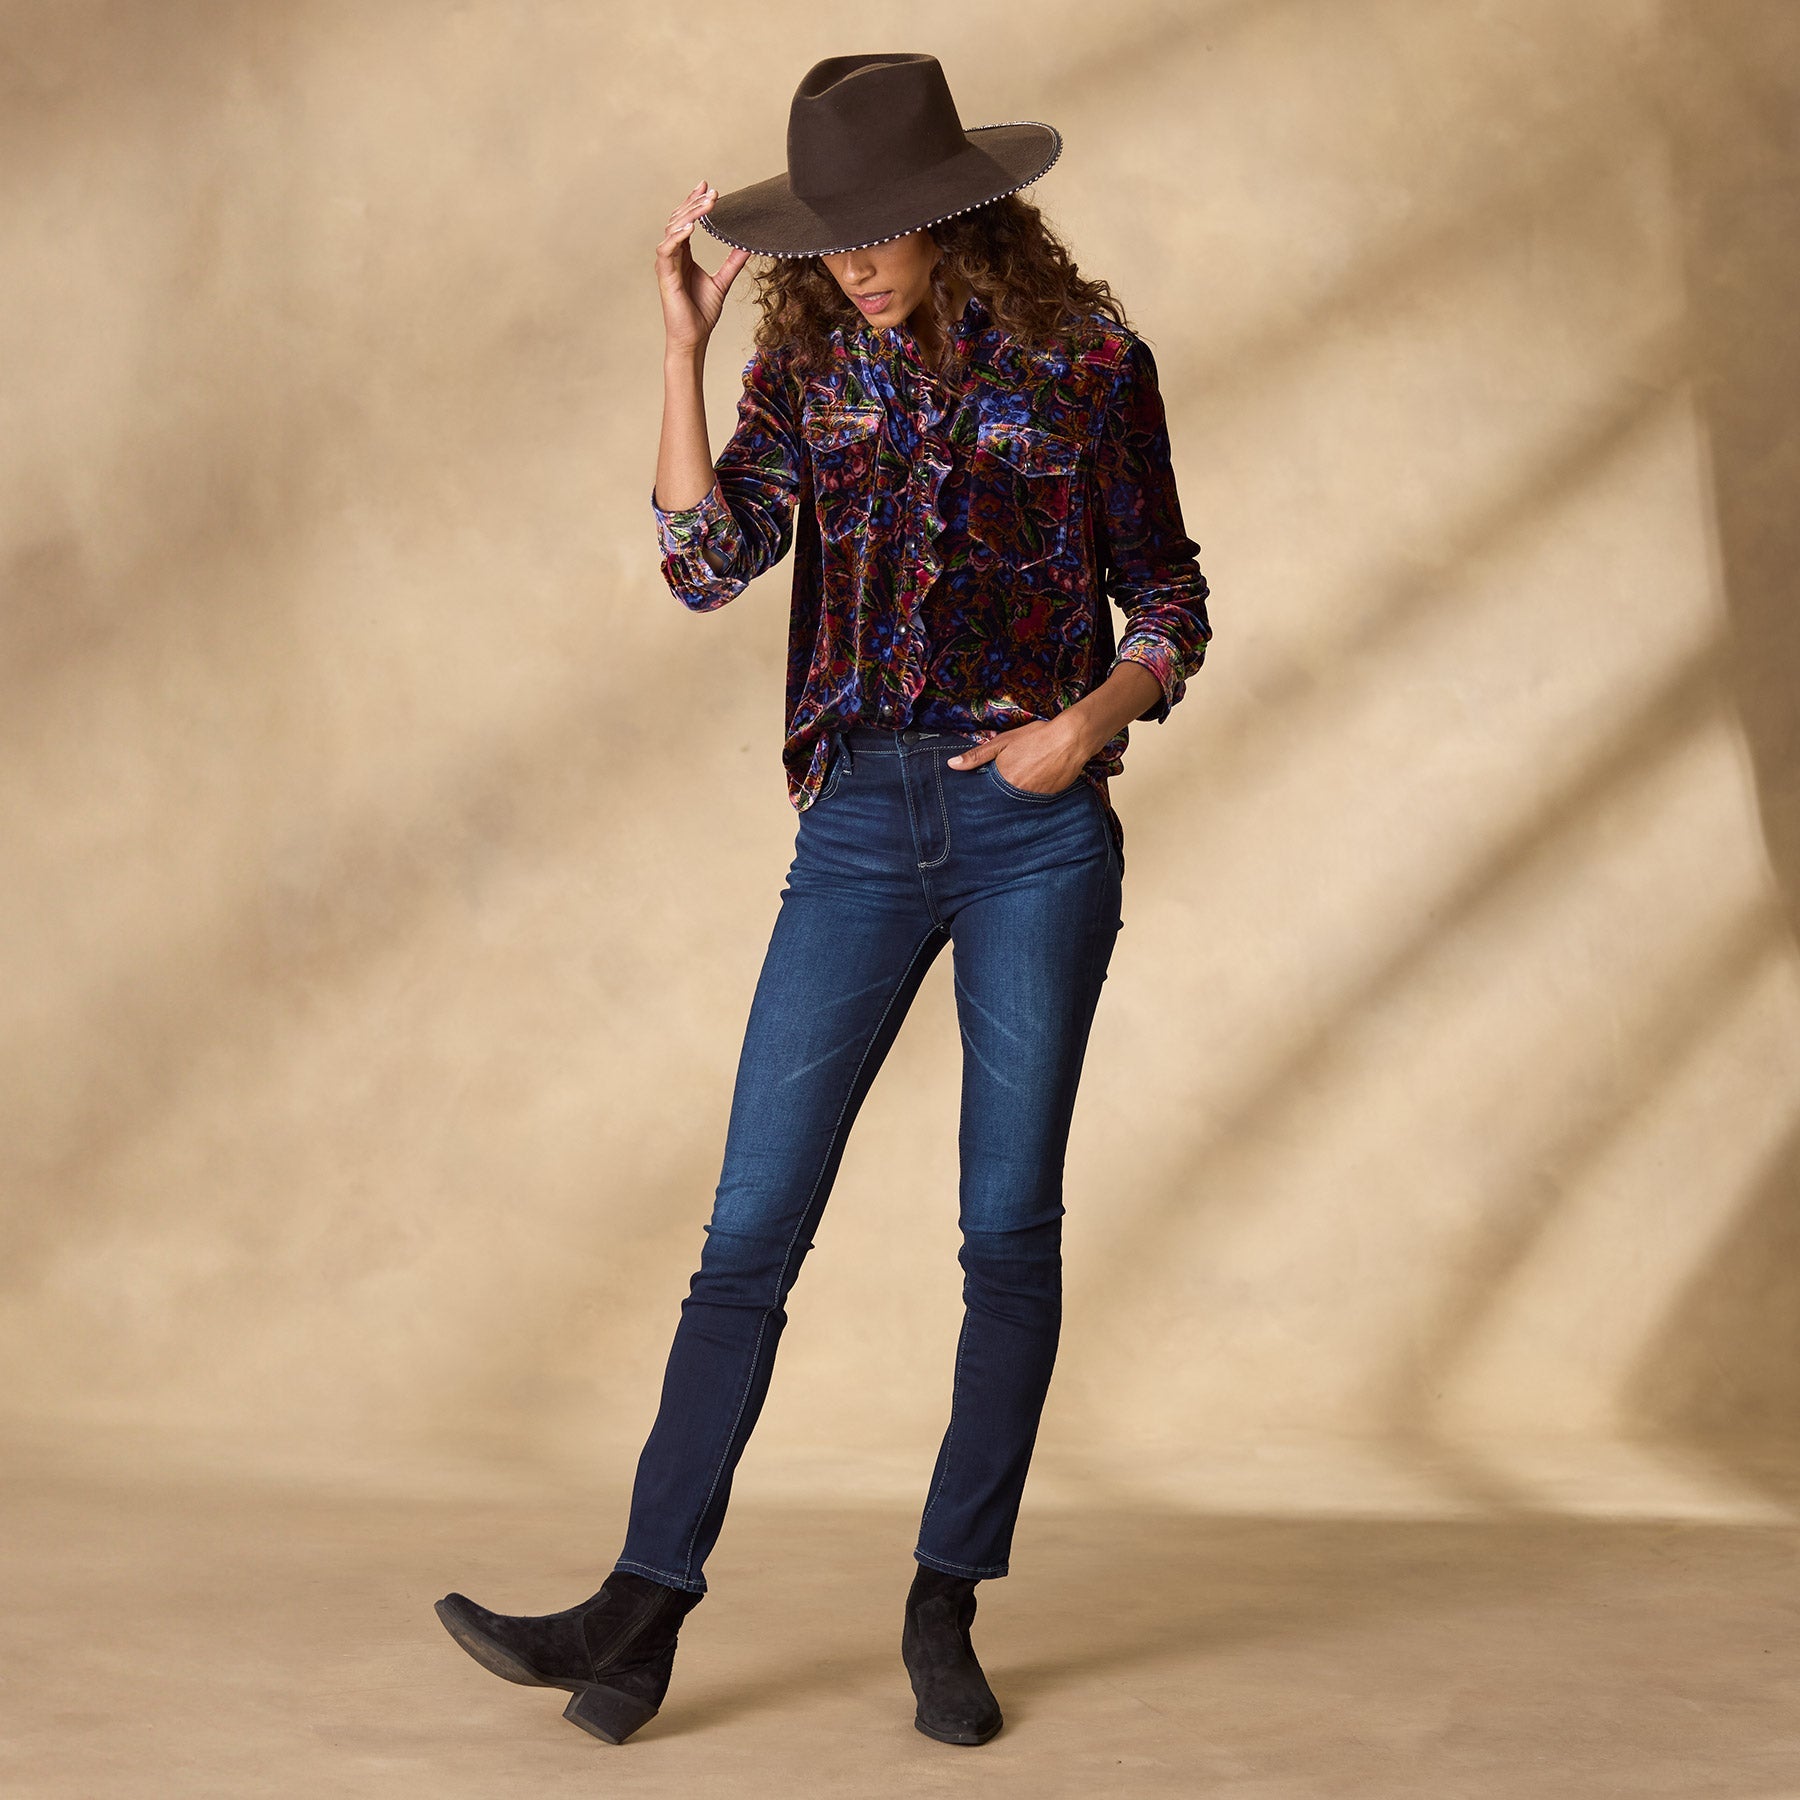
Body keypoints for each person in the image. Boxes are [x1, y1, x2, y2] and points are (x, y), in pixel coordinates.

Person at [435, 51, 1212, 1750]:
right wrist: (679, 353)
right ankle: (640, 1612)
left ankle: (945, 1602)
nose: (854, 262)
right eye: (830, 238)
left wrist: (1080, 729)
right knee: (748, 1232)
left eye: (881, 230)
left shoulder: (1088, 363)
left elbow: (1170, 599)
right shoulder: (804, 367)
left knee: (1006, 1230)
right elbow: (705, 567)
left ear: (957, 213)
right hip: (858, 823)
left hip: (1030, 832)